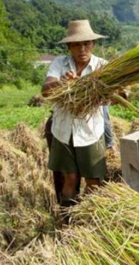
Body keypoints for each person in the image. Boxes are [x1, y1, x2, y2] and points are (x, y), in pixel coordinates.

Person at [41, 19, 111, 210]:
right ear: (69, 47)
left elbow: (109, 98)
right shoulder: (60, 64)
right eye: (77, 44)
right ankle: (66, 221)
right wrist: (62, 83)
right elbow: (45, 90)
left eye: (86, 43)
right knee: (69, 178)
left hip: (90, 131)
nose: (82, 49)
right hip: (63, 130)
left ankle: (89, 220)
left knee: (94, 181)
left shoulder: (102, 67)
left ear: (93, 44)